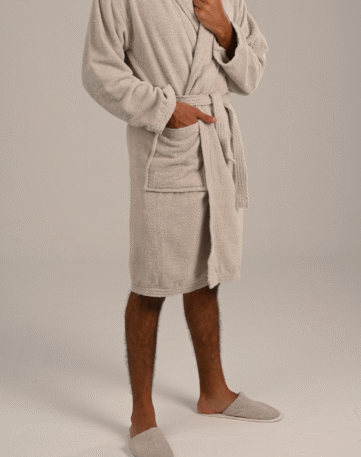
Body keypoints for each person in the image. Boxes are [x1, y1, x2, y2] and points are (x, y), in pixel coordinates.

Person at [82, 0, 283, 455]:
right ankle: (142, 417)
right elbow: (99, 70)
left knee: (206, 272)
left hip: (216, 144)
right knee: (150, 284)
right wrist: (165, 108)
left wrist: (226, 32)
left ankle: (214, 392)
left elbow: (251, 75)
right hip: (166, 143)